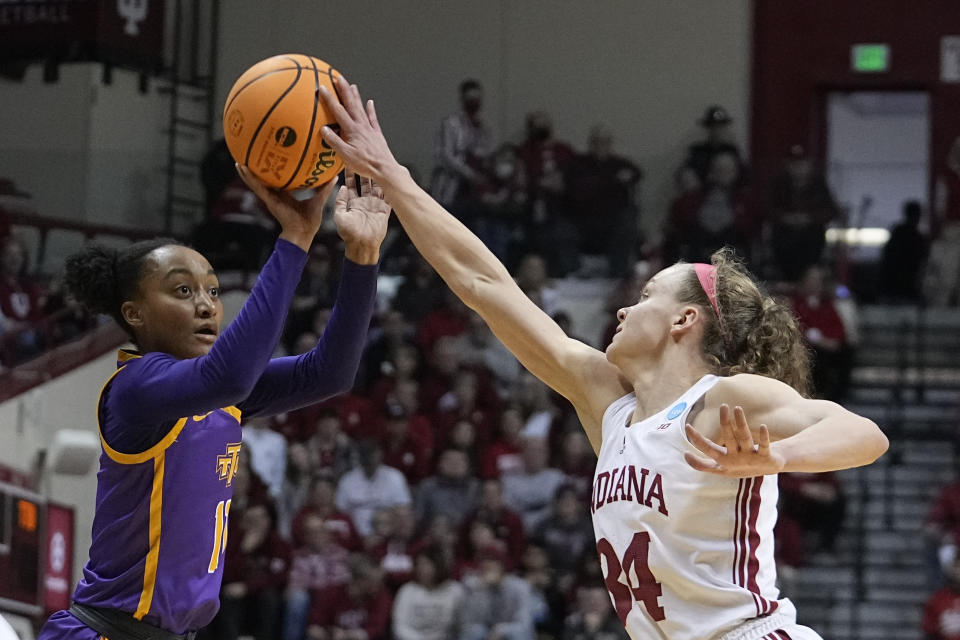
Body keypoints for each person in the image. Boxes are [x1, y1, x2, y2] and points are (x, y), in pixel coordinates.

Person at [317, 76, 889, 640]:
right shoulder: (607, 404)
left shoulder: (722, 400)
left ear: (684, 321)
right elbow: (482, 282)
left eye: (644, 298)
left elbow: (863, 434)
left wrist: (777, 456)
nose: (622, 309)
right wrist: (393, 180)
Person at [37, 168, 390, 640]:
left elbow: (331, 372)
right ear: (134, 313)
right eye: (183, 291)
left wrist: (362, 256)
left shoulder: (219, 396)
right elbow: (232, 374)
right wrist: (295, 237)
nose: (206, 305)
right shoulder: (136, 388)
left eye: (212, 291)